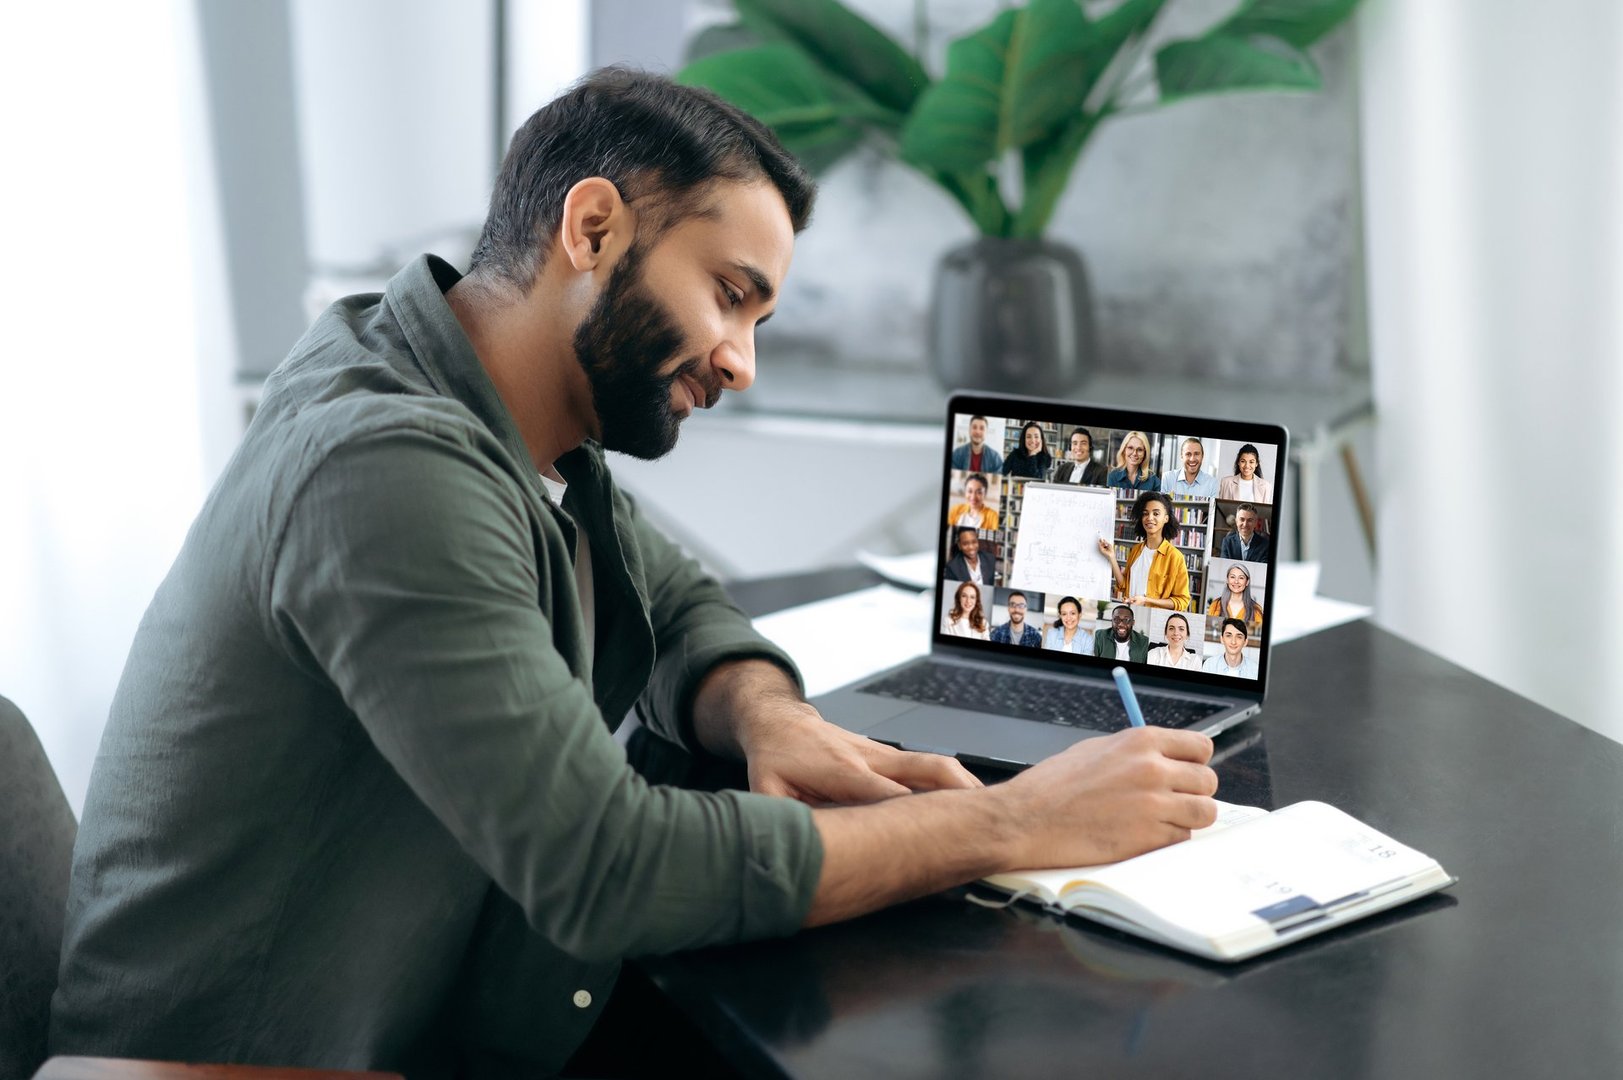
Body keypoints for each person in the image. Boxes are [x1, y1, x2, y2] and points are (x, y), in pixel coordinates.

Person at [50, 70, 1219, 1076]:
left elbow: (677, 603)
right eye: (729, 294)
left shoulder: (490, 406)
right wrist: (1013, 823)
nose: (740, 361)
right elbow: (607, 870)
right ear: (593, 229)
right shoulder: (388, 469)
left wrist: (766, 717)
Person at [1097, 491, 1191, 611]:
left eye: (1156, 513)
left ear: (1166, 518)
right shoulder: (1136, 550)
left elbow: (1182, 601)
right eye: (1145, 513)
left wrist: (1146, 600)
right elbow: (1123, 585)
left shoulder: (1175, 557)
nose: (1149, 518)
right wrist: (1111, 557)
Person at [1207, 563, 1264, 629]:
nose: (1236, 581)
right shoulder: (1215, 604)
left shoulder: (1256, 609)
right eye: (1232, 577)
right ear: (1227, 580)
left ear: (1247, 582)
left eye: (1241, 578)